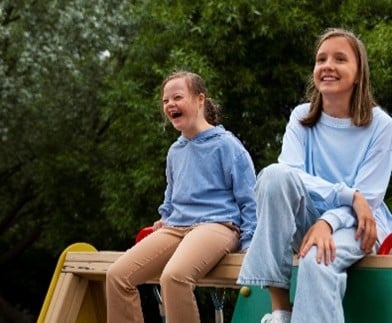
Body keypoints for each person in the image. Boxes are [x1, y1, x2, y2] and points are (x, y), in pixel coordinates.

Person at [237, 28, 392, 323]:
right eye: (321, 59)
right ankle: (281, 310)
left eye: (340, 59)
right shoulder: (300, 117)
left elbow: (368, 199)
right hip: (307, 220)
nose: (327, 65)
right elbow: (291, 174)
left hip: (359, 225)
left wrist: (327, 222)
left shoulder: (381, 125)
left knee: (319, 258)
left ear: (359, 74)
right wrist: (346, 195)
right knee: (273, 176)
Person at [106, 71, 257, 323]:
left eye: (177, 97)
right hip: (177, 227)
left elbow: (250, 198)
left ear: (200, 100)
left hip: (217, 225)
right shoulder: (175, 151)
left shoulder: (226, 145)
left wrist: (249, 244)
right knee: (117, 275)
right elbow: (171, 196)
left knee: (173, 277)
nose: (170, 105)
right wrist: (165, 217)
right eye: (165, 101)